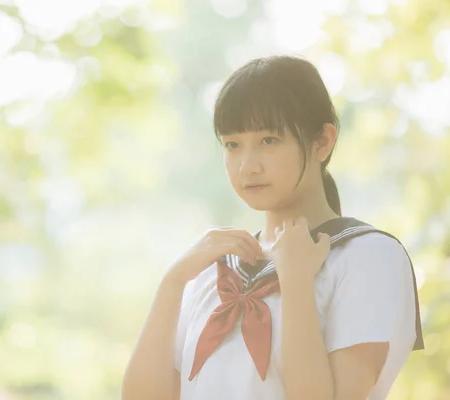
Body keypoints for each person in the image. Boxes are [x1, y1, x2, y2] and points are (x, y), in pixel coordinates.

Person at [121, 55, 424, 400]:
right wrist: (172, 283)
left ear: (322, 142)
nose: (247, 166)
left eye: (269, 140)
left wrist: (295, 282)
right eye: (232, 144)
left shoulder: (367, 256)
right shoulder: (213, 266)